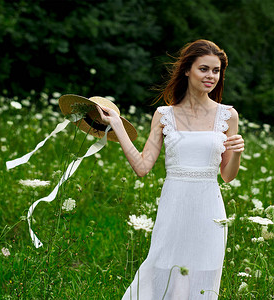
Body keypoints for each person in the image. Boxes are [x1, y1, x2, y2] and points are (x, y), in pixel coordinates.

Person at [96, 39, 244, 299]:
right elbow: (142, 167)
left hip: (209, 210)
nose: (211, 76)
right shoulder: (164, 115)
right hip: (173, 206)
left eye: (216, 71)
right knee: (162, 270)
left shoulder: (228, 116)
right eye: (204, 69)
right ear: (187, 70)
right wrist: (118, 126)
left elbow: (227, 176)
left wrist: (238, 153)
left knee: (201, 277)